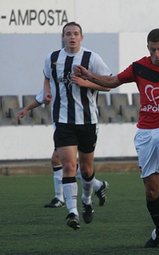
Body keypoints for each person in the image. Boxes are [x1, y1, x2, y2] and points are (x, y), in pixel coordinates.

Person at [72, 28, 159, 247]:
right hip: (145, 133)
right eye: (153, 50)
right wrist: (90, 76)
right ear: (148, 48)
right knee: (151, 192)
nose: (157, 54)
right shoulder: (139, 67)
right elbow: (113, 82)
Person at [42, 21, 112, 230]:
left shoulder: (92, 58)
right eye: (68, 34)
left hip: (87, 121)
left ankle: (87, 201)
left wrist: (86, 83)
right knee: (69, 166)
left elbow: (109, 84)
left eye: (75, 34)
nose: (72, 37)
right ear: (63, 37)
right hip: (63, 121)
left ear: (82, 37)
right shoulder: (52, 58)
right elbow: (46, 75)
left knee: (87, 169)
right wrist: (46, 91)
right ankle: (72, 212)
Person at [16, 89, 109, 209]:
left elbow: (106, 83)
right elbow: (44, 96)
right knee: (63, 162)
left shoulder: (78, 78)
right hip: (63, 126)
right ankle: (94, 186)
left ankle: (70, 197)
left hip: (83, 125)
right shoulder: (56, 78)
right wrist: (27, 109)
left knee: (66, 162)